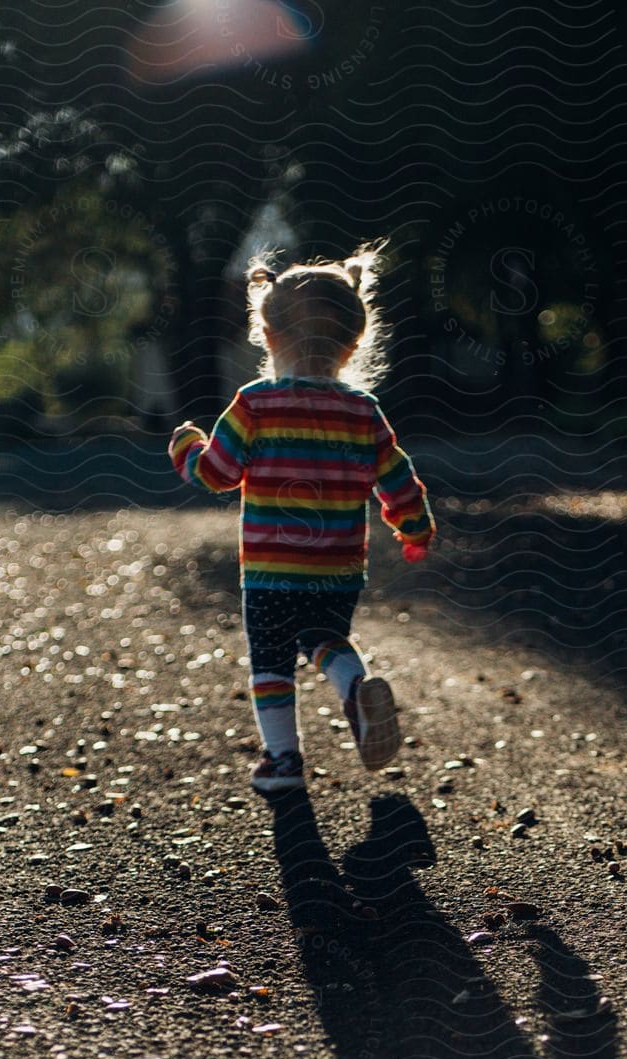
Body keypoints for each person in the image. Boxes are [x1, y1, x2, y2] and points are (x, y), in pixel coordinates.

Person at [167, 248, 435, 795]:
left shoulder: (253, 405)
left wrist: (187, 450)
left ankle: (284, 762)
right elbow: (398, 476)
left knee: (271, 660)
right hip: (338, 566)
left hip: (270, 568)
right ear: (353, 342)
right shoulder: (364, 411)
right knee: (323, 636)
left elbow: (218, 474)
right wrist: (414, 527)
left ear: (266, 335)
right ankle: (354, 684)